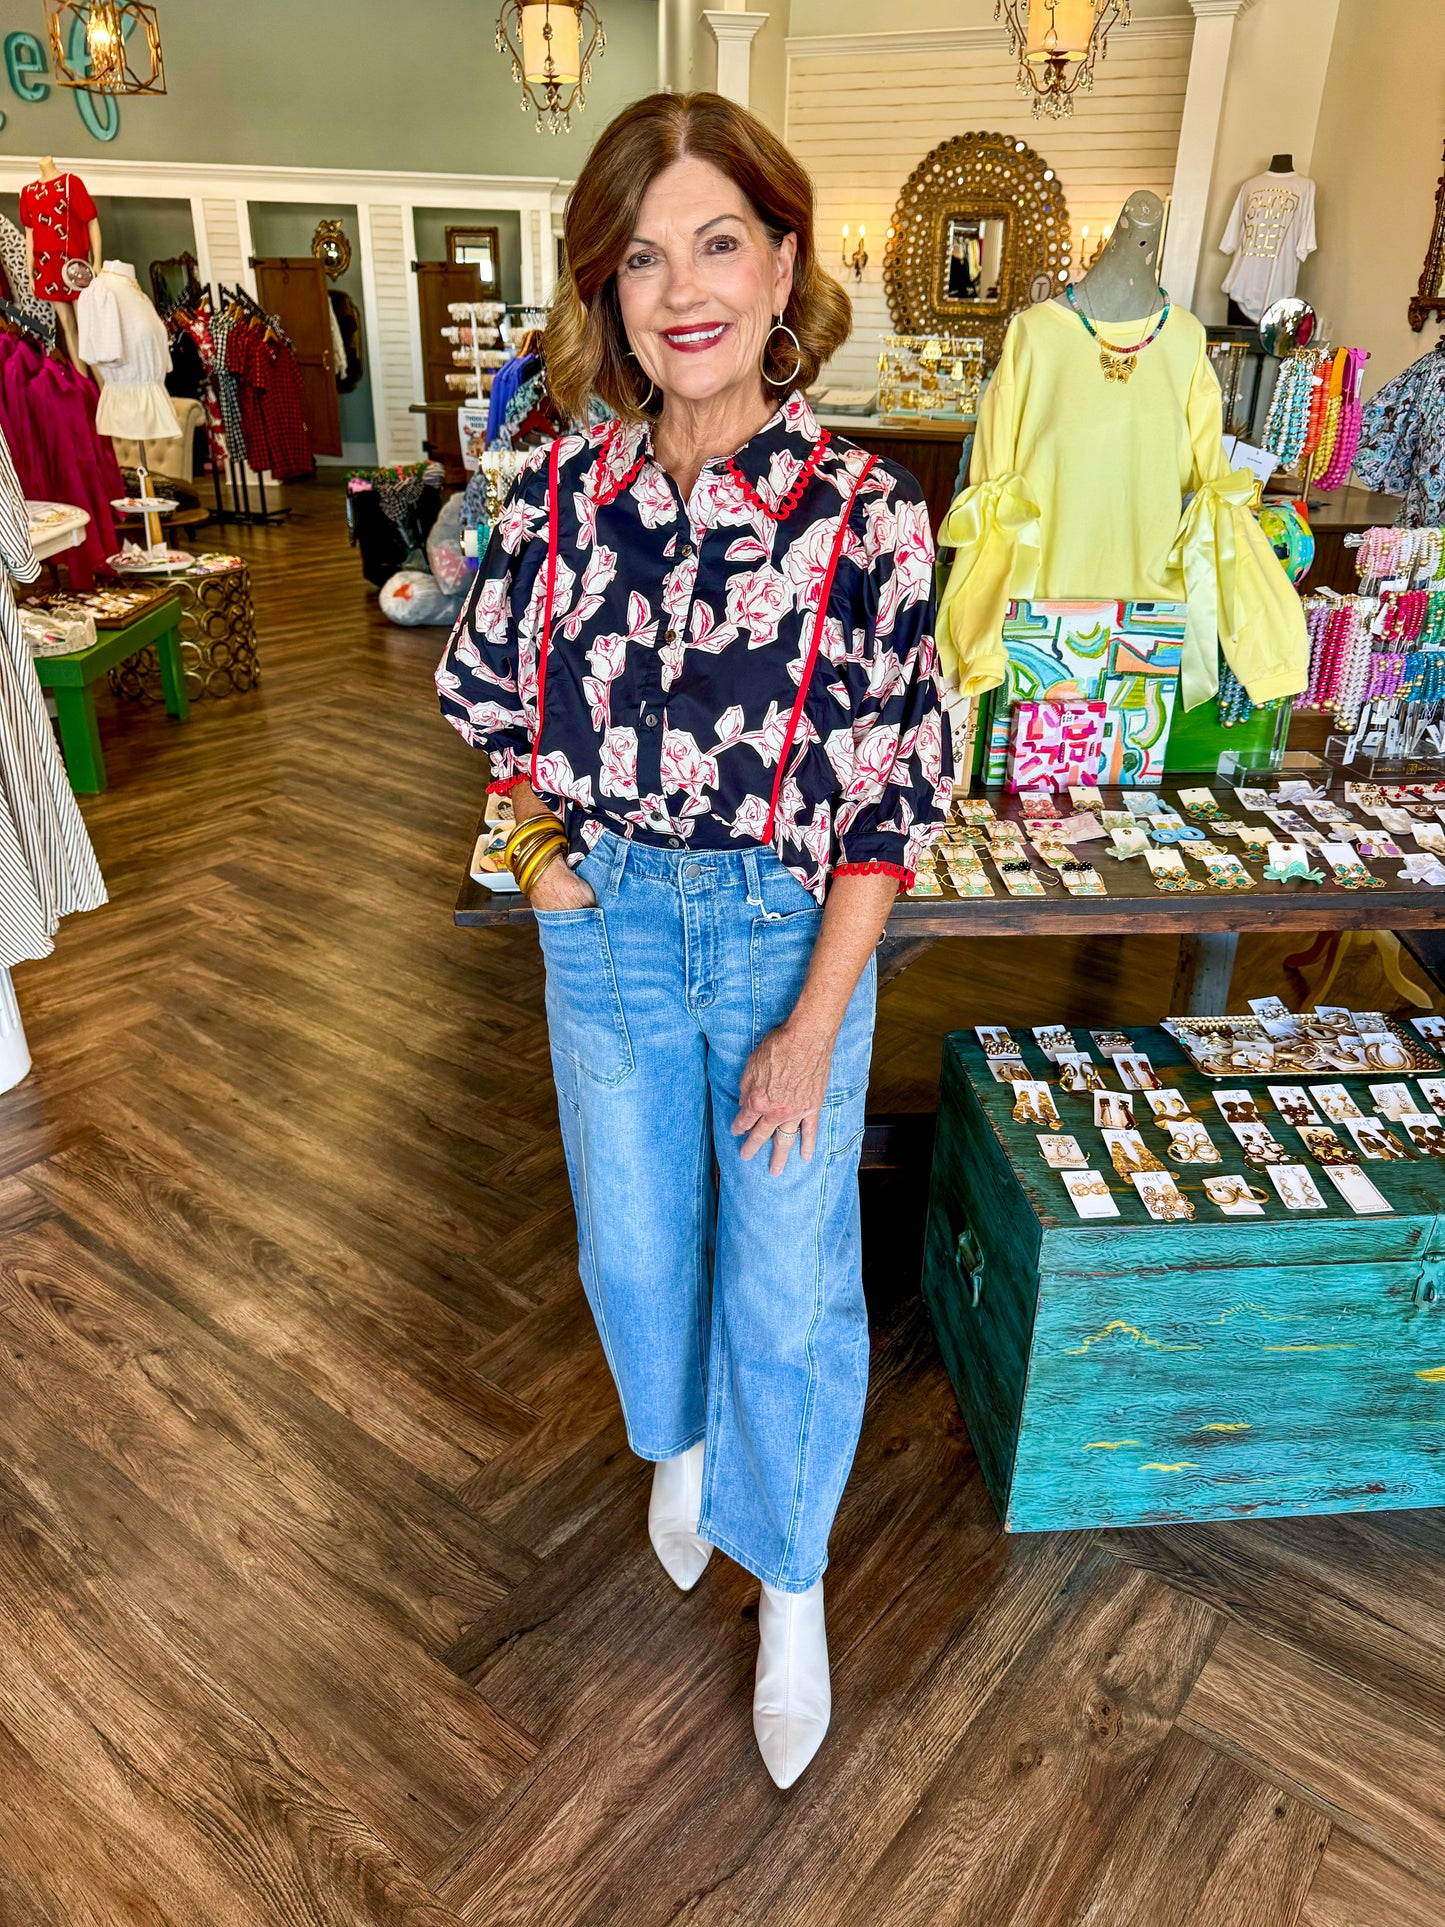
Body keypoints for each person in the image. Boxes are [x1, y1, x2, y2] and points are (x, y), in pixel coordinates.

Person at [436, 91, 950, 1788]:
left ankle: (789, 1579)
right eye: (642, 257)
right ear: (607, 290)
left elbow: (886, 790)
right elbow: (486, 715)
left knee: (792, 1279)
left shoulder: (865, 511)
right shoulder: (553, 496)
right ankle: (676, 1445)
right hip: (604, 920)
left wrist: (815, 1019)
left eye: (717, 241)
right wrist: (559, 891)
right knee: (639, 1245)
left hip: (787, 931)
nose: (683, 291)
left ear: (785, 258)